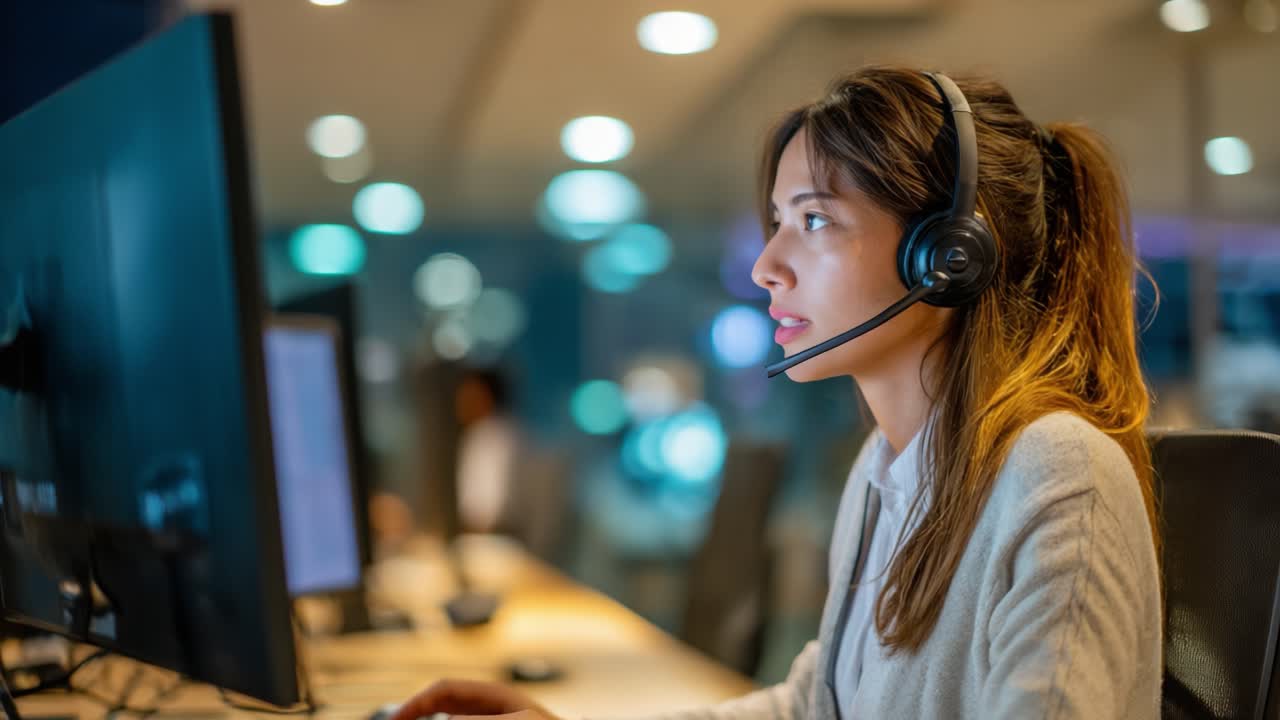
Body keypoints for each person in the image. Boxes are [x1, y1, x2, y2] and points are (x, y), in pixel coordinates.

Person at [389, 64, 1162, 720]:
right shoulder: (886, 473)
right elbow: (813, 704)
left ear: (948, 253)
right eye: (776, 221)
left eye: (815, 219)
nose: (767, 266)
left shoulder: (1057, 474)